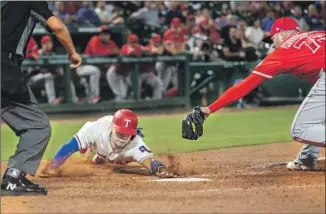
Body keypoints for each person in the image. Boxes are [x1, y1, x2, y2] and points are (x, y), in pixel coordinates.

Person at [181, 17, 325, 171]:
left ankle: (306, 158)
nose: (272, 45)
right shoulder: (318, 34)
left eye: (272, 39)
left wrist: (210, 108)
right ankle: (307, 158)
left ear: (282, 35)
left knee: (299, 129)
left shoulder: (283, 52)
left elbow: (245, 85)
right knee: (314, 118)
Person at [1, 1, 82, 196]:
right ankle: (13, 177)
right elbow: (57, 26)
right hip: (4, 67)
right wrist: (72, 53)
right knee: (38, 127)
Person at [40, 109, 174, 178]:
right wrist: (54, 165)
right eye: (120, 132)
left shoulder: (135, 143)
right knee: (87, 151)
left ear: (133, 133)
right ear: (113, 127)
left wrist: (161, 169)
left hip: (121, 157)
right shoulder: (95, 129)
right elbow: (70, 146)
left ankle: (100, 158)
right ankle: (92, 152)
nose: (123, 137)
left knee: (117, 161)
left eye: (127, 134)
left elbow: (150, 161)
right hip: (98, 146)